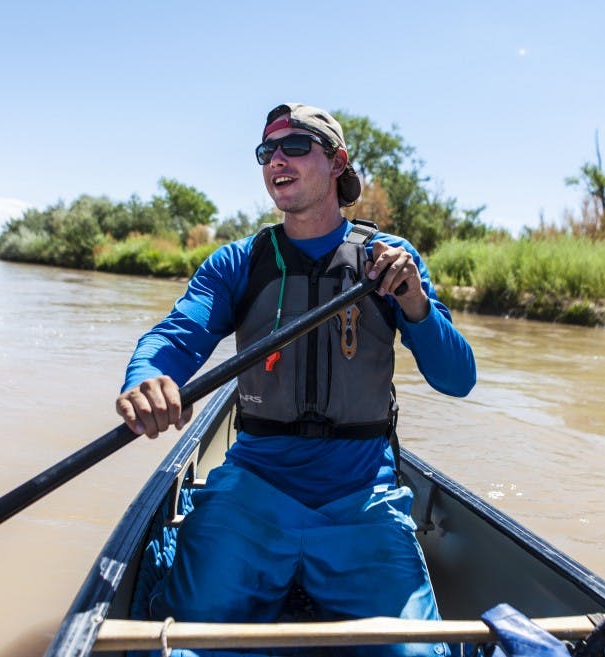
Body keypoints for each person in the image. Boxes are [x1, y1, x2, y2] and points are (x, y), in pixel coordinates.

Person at [116, 102, 477, 657]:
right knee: (186, 641)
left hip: (363, 496)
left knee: (415, 653)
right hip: (255, 489)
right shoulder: (238, 262)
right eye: (266, 153)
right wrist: (148, 378)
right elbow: (174, 338)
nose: (275, 160)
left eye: (295, 147)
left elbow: (458, 379)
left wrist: (416, 302)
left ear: (337, 162)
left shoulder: (390, 261)